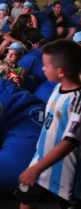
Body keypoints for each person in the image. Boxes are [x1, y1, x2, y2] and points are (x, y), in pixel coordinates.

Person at [16, 39, 81, 209]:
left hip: (67, 171)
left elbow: (70, 141)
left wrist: (36, 169)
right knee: (26, 198)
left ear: (60, 71)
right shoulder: (57, 87)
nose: (42, 68)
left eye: (45, 66)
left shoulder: (77, 101)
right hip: (41, 159)